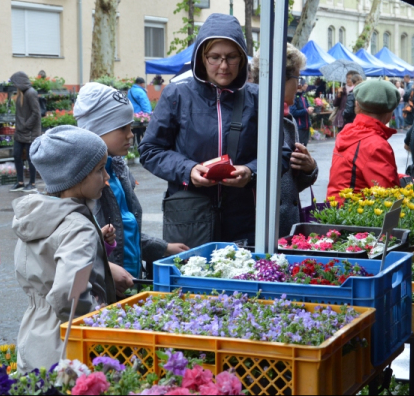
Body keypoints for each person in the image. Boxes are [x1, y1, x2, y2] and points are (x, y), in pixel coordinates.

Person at [139, 14, 259, 245]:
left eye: (231, 57)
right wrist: (188, 170)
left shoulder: (258, 99)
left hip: (245, 220)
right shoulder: (176, 95)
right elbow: (150, 150)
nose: (223, 65)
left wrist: (251, 172)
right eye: (215, 57)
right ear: (201, 58)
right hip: (189, 219)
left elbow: (280, 154)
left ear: (243, 59)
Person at [13, 126, 117, 373]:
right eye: (99, 169)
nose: (106, 177)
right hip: (67, 347)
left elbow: (47, 259)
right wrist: (98, 321)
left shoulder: (39, 215)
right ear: (76, 176)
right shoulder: (78, 227)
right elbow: (70, 294)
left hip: (34, 333)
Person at [74, 82, 189, 278]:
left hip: (129, 280)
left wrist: (164, 248)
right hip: (103, 288)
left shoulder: (120, 171)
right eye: (122, 128)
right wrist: (107, 271)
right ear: (96, 131)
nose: (130, 135)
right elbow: (74, 251)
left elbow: (126, 232)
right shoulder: (83, 182)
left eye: (131, 127)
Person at [251, 45, 319, 237]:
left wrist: (309, 168)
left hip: (285, 222)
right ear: (281, 78)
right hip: (265, 225)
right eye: (297, 78)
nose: (299, 86)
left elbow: (289, 184)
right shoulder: (256, 115)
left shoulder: (287, 117)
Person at [327, 79, 400, 201]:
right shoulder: (375, 144)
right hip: (356, 214)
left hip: (338, 211)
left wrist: (401, 177)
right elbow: (388, 194)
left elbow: (359, 173)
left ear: (357, 105)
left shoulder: (349, 131)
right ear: (390, 112)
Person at [9, 71, 42, 192]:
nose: (14, 86)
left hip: (30, 132)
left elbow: (36, 113)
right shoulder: (21, 93)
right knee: (16, 155)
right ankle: (20, 182)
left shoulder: (31, 93)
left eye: (15, 83)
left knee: (30, 157)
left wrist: (26, 126)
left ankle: (32, 183)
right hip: (20, 131)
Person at [290, 80, 313, 146]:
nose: (306, 85)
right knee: (299, 147)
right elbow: (293, 112)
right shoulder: (294, 97)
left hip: (306, 126)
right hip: (299, 127)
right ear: (300, 85)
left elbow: (307, 107)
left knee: (304, 146)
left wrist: (310, 109)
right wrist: (306, 111)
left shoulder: (303, 96)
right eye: (305, 83)